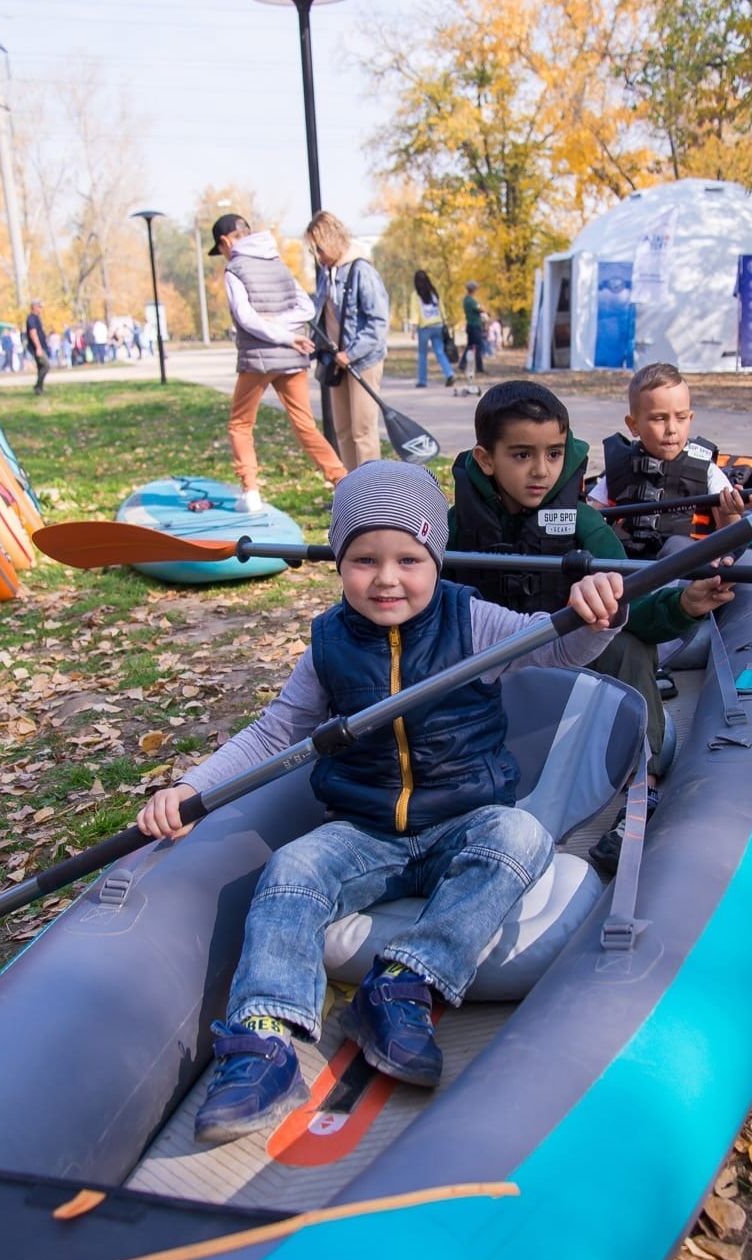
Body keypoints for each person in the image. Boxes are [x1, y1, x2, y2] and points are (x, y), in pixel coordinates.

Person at [135, 461, 627, 1143]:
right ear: (339, 562)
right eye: (364, 559)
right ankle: (264, 1039)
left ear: (436, 559)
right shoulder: (329, 643)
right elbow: (276, 731)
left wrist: (600, 611)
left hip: (462, 821)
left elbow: (562, 649)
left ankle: (401, 985)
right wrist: (194, 788)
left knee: (519, 836)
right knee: (292, 868)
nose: (386, 579)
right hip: (363, 831)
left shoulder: (472, 619)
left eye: (408, 560)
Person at [447, 379, 732, 772]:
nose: (541, 470)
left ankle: (642, 776)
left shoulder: (584, 525)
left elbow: (638, 608)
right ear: (485, 459)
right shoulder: (453, 529)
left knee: (625, 645)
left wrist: (685, 605)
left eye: (554, 453)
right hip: (488, 669)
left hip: (567, 669)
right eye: (522, 455)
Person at [211, 212, 348, 510]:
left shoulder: (234, 269)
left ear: (225, 242)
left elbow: (246, 319)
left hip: (259, 358)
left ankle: (250, 492)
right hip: (292, 357)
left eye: (220, 249)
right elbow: (305, 309)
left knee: (240, 424)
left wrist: (276, 331)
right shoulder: (277, 263)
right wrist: (287, 333)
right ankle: (343, 482)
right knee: (305, 425)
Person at [587, 363, 747, 561]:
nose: (672, 429)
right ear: (633, 425)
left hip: (685, 566)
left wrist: (731, 513)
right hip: (629, 567)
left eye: (681, 418)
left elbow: (731, 532)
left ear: (690, 418)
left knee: (677, 545)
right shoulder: (619, 467)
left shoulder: (706, 470)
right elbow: (590, 520)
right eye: (659, 418)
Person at [307, 211, 390, 471]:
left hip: (363, 361)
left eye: (319, 249)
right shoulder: (326, 273)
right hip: (336, 362)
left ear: (331, 240)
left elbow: (378, 322)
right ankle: (351, 486)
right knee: (342, 430)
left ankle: (370, 488)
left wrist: (351, 354)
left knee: (362, 431)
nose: (317, 256)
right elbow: (322, 315)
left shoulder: (361, 271)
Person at [413, 270, 456, 389]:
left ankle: (422, 381)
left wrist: (413, 328)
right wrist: (445, 321)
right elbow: (441, 309)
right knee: (440, 352)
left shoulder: (415, 295)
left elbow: (415, 312)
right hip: (438, 326)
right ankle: (449, 374)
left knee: (422, 354)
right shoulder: (434, 293)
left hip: (424, 328)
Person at [458, 281, 488, 376]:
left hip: (470, 325)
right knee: (477, 346)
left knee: (470, 345)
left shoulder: (465, 300)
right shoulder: (471, 300)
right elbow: (480, 309)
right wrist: (483, 309)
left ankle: (462, 364)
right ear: (473, 289)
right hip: (475, 325)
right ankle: (479, 367)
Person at [24, 301, 49, 393]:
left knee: (40, 367)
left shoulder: (36, 318)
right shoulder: (31, 319)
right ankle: (38, 386)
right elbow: (33, 333)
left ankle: (39, 388)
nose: (41, 309)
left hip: (41, 346)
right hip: (36, 347)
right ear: (34, 307)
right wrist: (38, 347)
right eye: (39, 307)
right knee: (46, 366)